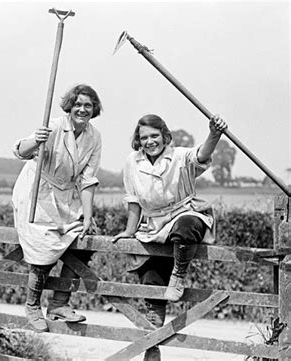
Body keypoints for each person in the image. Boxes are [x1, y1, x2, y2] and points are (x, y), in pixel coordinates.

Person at [112, 113, 227, 361]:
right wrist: (130, 232)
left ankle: (179, 275)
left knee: (185, 227)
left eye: (155, 135)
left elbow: (202, 155)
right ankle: (152, 347)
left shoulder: (180, 156)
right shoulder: (133, 162)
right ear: (138, 140)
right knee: (152, 281)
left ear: (165, 136)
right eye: (144, 137)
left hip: (184, 213)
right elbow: (133, 200)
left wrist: (214, 134)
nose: (150, 141)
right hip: (153, 224)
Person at [12, 84, 103, 332]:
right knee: (43, 247)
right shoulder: (52, 125)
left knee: (85, 239)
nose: (82, 109)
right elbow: (20, 151)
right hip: (37, 193)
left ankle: (58, 303)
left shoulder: (94, 137)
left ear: (94, 109)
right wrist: (35, 141)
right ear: (69, 106)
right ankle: (32, 306)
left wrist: (87, 216)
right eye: (78, 104)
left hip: (66, 198)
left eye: (88, 105)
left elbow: (87, 179)